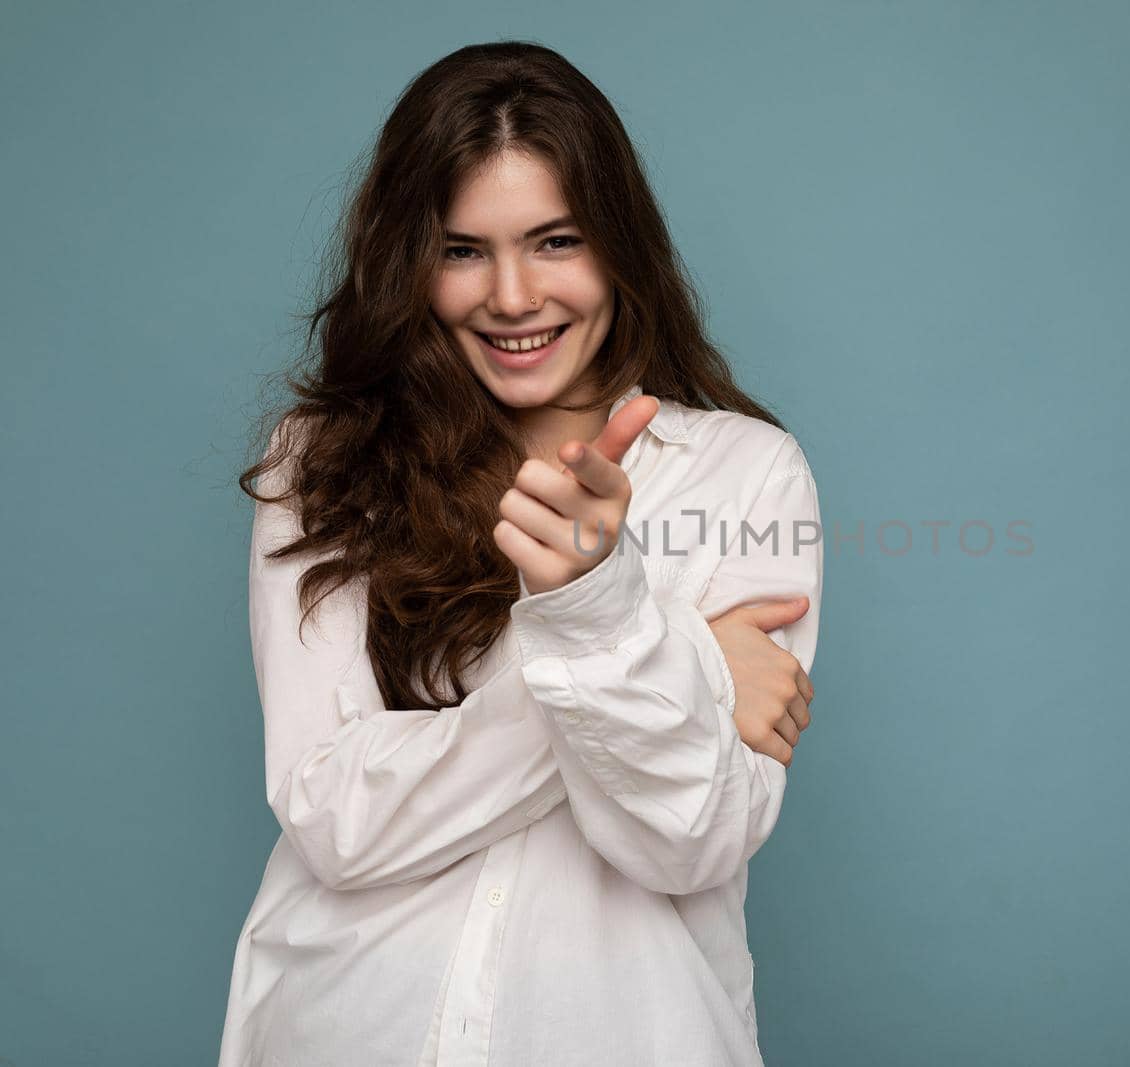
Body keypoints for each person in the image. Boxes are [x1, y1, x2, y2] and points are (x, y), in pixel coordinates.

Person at [218, 41, 823, 1066]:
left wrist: (601, 603)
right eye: (461, 250)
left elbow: (689, 840)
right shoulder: (319, 461)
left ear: (619, 243)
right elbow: (333, 815)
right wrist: (679, 654)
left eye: (554, 240)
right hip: (343, 1028)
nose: (509, 296)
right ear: (409, 261)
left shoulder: (745, 474)